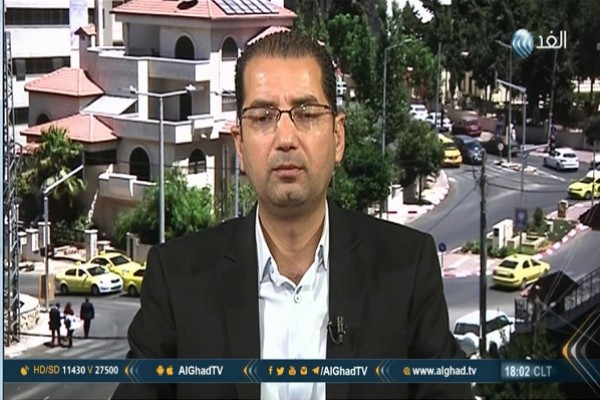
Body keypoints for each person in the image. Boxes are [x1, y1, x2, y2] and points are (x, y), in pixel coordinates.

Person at [112, 31, 472, 400]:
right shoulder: (176, 279)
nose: (285, 138)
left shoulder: (407, 268)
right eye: (263, 116)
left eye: (306, 114)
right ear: (240, 145)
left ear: (338, 137)